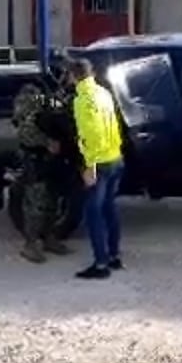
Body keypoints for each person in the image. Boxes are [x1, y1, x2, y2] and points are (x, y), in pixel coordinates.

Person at [67, 58, 125, 280]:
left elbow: (89, 135)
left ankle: (100, 265)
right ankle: (114, 256)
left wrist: (89, 166)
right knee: (110, 208)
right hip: (115, 158)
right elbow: (112, 125)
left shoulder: (82, 100)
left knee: (93, 213)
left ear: (74, 76)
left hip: (99, 162)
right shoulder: (103, 93)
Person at [11, 81, 72, 263]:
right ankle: (30, 244)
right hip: (35, 159)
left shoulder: (51, 95)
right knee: (35, 203)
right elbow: (25, 132)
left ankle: (48, 237)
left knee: (52, 200)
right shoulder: (30, 98)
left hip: (51, 160)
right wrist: (46, 142)